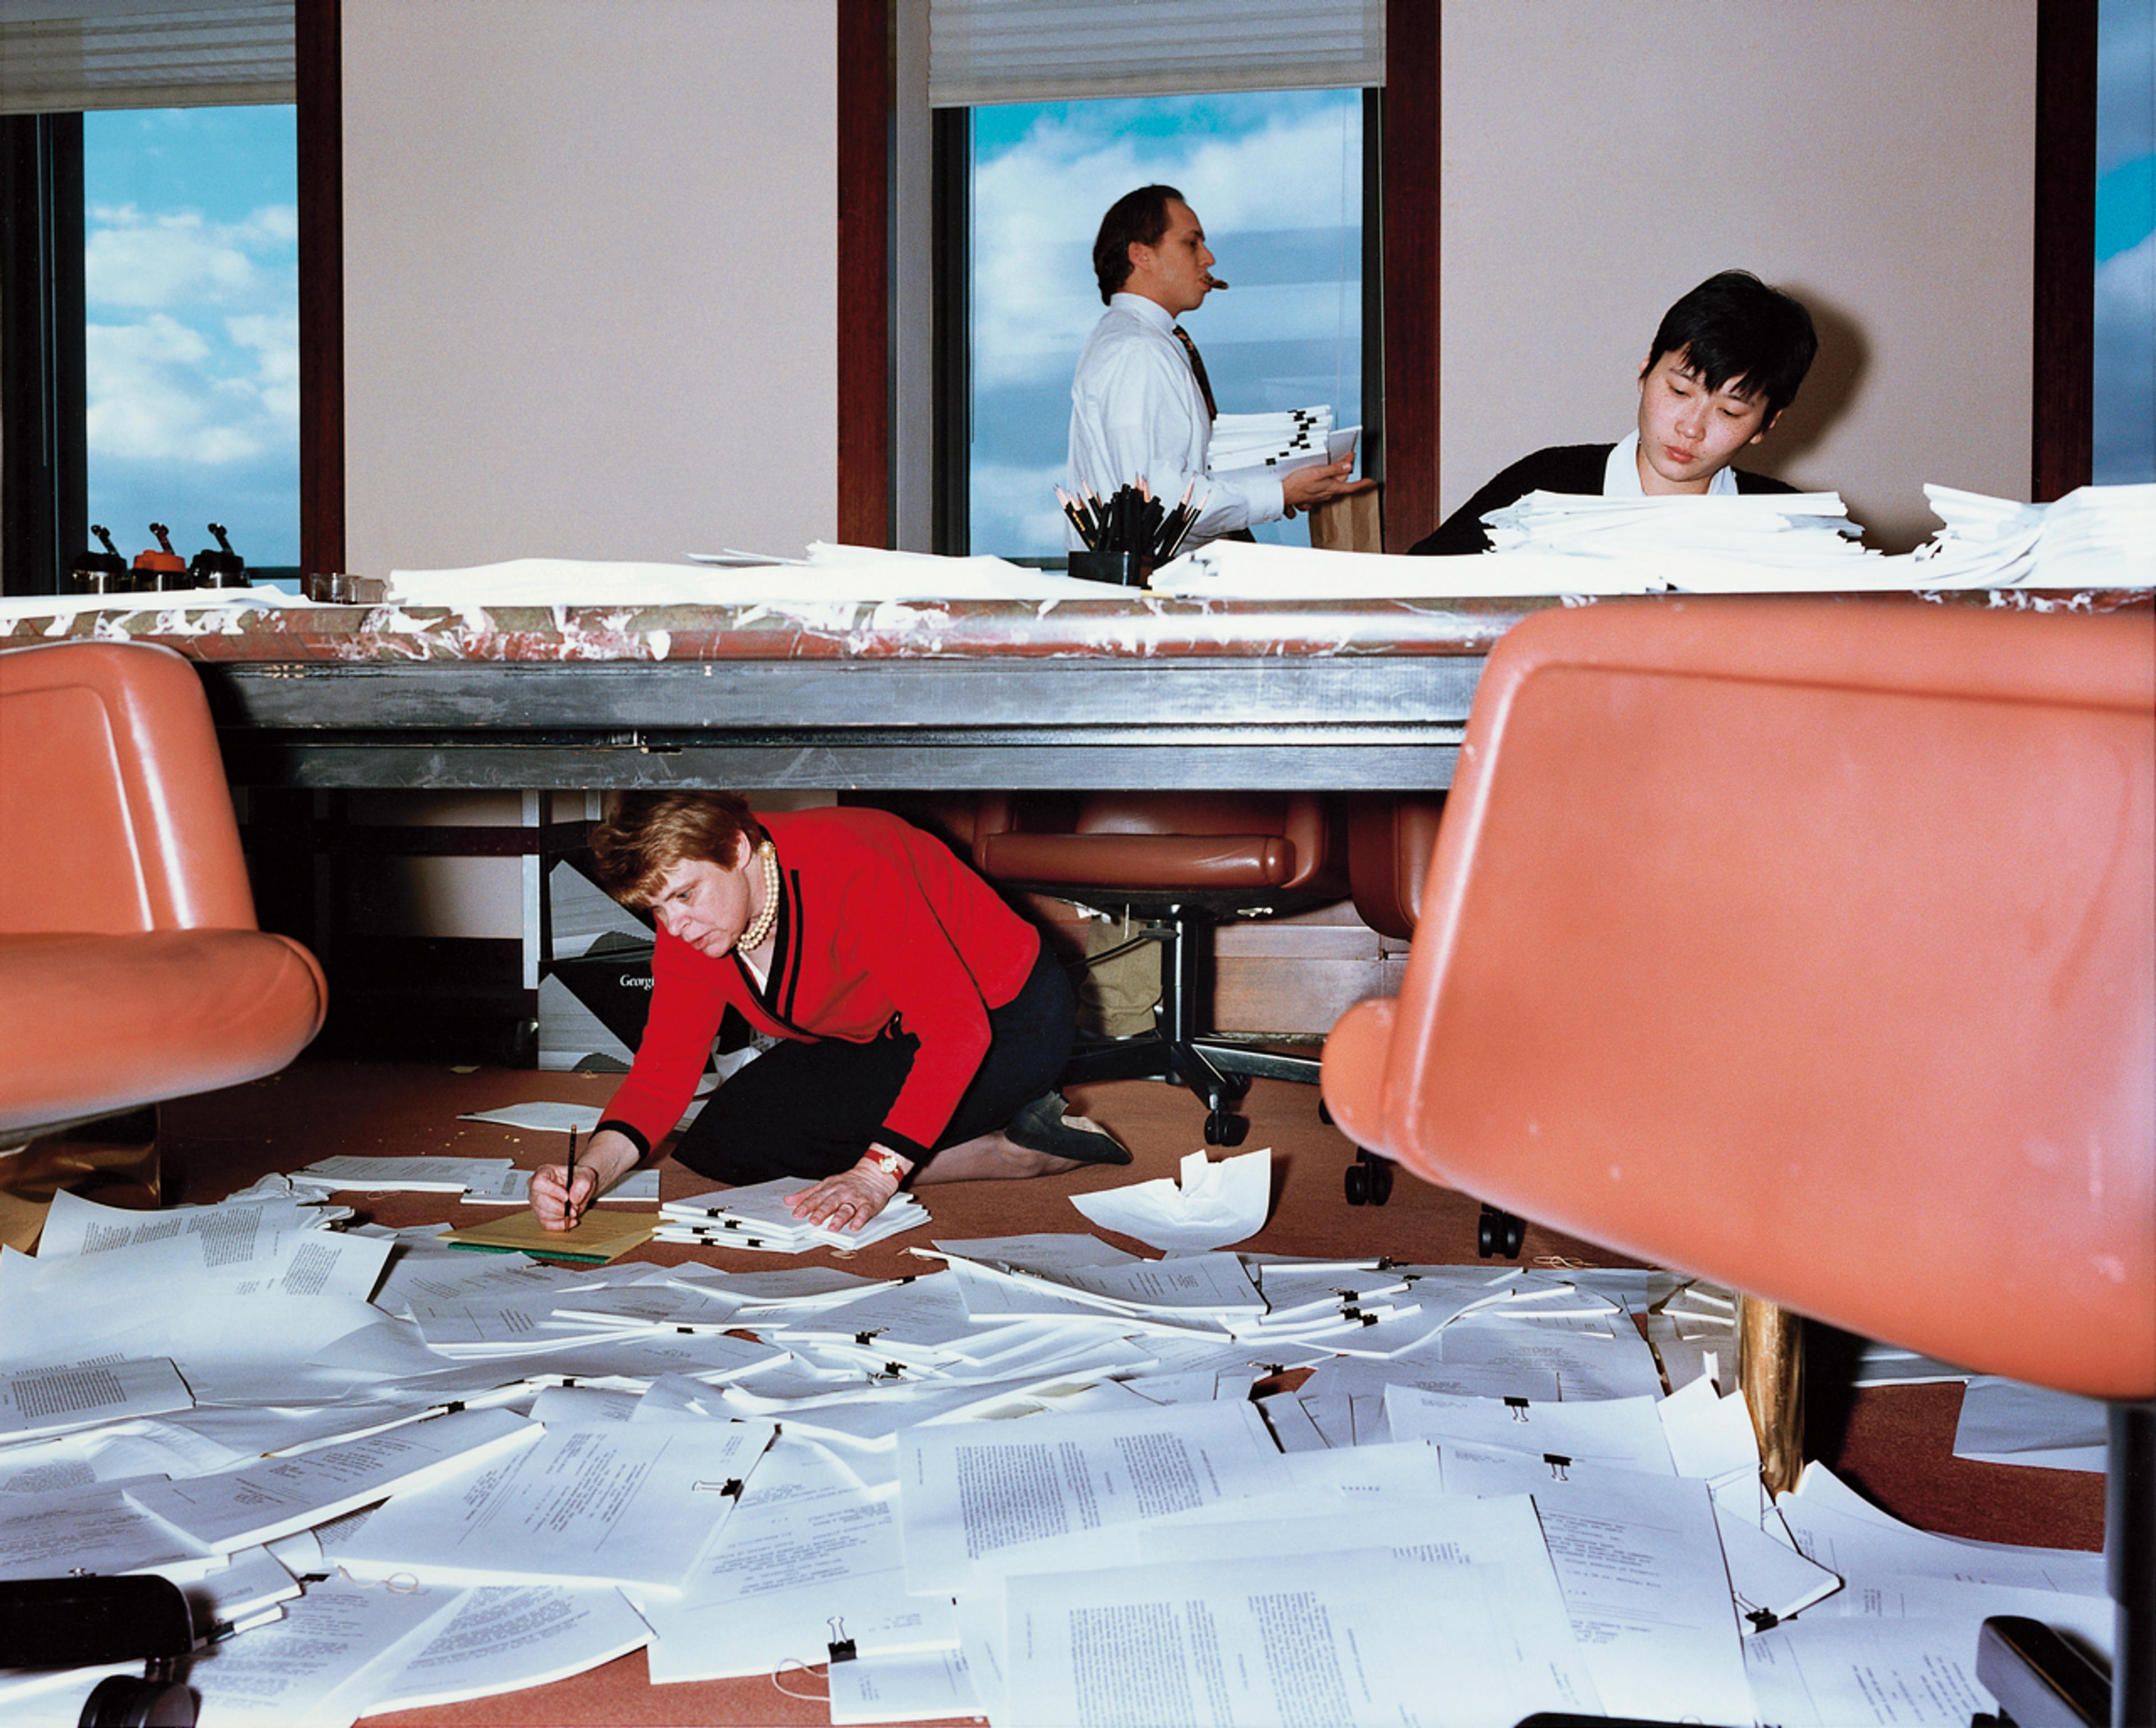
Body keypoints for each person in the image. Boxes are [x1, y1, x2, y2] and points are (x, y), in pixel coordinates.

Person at [530, 793, 1127, 1235]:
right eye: (656, 909)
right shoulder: (687, 930)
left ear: (737, 849)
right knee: (720, 1141)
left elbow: (955, 1029)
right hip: (887, 1032)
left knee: (846, 1145)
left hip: (1004, 1020)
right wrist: (589, 1173)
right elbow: (662, 1073)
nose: (675, 927)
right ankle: (982, 1142)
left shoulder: (849, 866)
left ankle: (1017, 1154)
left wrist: (877, 1173)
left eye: (685, 895)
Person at [1409, 269, 1819, 556]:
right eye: (1679, 390)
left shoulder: (1790, 523)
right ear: (1645, 373)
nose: (1691, 428)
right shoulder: (1543, 486)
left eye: (1729, 413)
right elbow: (1414, 592)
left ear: (1767, 423)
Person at [1067, 184, 1355, 549]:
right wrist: (1278, 493)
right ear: (1141, 255)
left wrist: (1277, 486)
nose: (1209, 259)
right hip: (1159, 595)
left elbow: (1164, 483)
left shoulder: (1136, 343)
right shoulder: (1138, 351)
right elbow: (1164, 502)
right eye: (1192, 243)